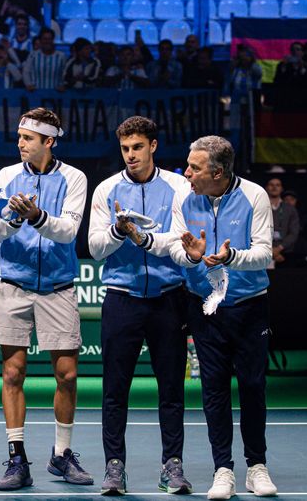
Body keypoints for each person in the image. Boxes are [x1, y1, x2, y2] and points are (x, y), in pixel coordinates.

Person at [158, 135, 277, 500]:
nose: (187, 173)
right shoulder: (184, 196)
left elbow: (263, 253)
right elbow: (178, 250)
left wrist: (229, 258)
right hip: (204, 307)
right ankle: (222, 469)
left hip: (249, 307)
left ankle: (256, 466)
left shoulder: (254, 195)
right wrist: (193, 256)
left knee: (253, 388)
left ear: (218, 172)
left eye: (194, 167)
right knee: (214, 391)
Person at [0, 107, 92, 490]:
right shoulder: (7, 175)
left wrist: (36, 215)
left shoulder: (74, 178)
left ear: (48, 141)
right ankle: (17, 458)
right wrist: (15, 218)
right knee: (13, 372)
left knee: (67, 374)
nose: (20, 143)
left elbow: (67, 231)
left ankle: (61, 455)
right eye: (19, 136)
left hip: (58, 287)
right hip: (14, 284)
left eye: (28, 138)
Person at [88, 116, 192, 495]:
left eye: (137, 147)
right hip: (122, 299)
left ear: (153, 146)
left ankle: (172, 467)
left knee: (171, 391)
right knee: (115, 390)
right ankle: (114, 469)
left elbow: (183, 241)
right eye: (125, 149)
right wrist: (119, 230)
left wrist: (145, 237)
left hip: (169, 300)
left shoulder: (180, 186)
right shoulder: (106, 190)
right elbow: (96, 249)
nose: (130, 155)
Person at [265, 178, 299, 267]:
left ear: (281, 189)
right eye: (271, 185)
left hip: (284, 253)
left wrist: (278, 249)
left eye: (277, 185)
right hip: (263, 252)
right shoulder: (258, 207)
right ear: (266, 188)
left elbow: (294, 233)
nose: (274, 187)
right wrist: (270, 250)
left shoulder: (290, 209)